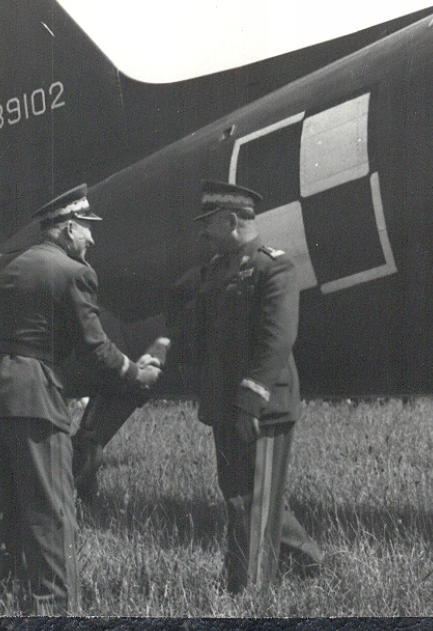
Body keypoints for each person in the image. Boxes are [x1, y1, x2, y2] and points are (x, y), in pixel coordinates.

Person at [0, 184, 161, 614]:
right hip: (34, 398)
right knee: (50, 507)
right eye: (87, 229)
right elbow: (96, 347)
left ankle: (1, 596)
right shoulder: (72, 272)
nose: (92, 240)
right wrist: (135, 375)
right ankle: (54, 607)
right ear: (66, 228)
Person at [144, 180, 323, 594]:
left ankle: (249, 596)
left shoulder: (273, 266)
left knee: (255, 500)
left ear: (232, 220)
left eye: (208, 224)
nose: (202, 233)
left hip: (260, 404)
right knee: (238, 497)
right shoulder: (213, 270)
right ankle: (308, 564)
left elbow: (277, 339)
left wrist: (250, 399)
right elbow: (179, 307)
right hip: (223, 403)